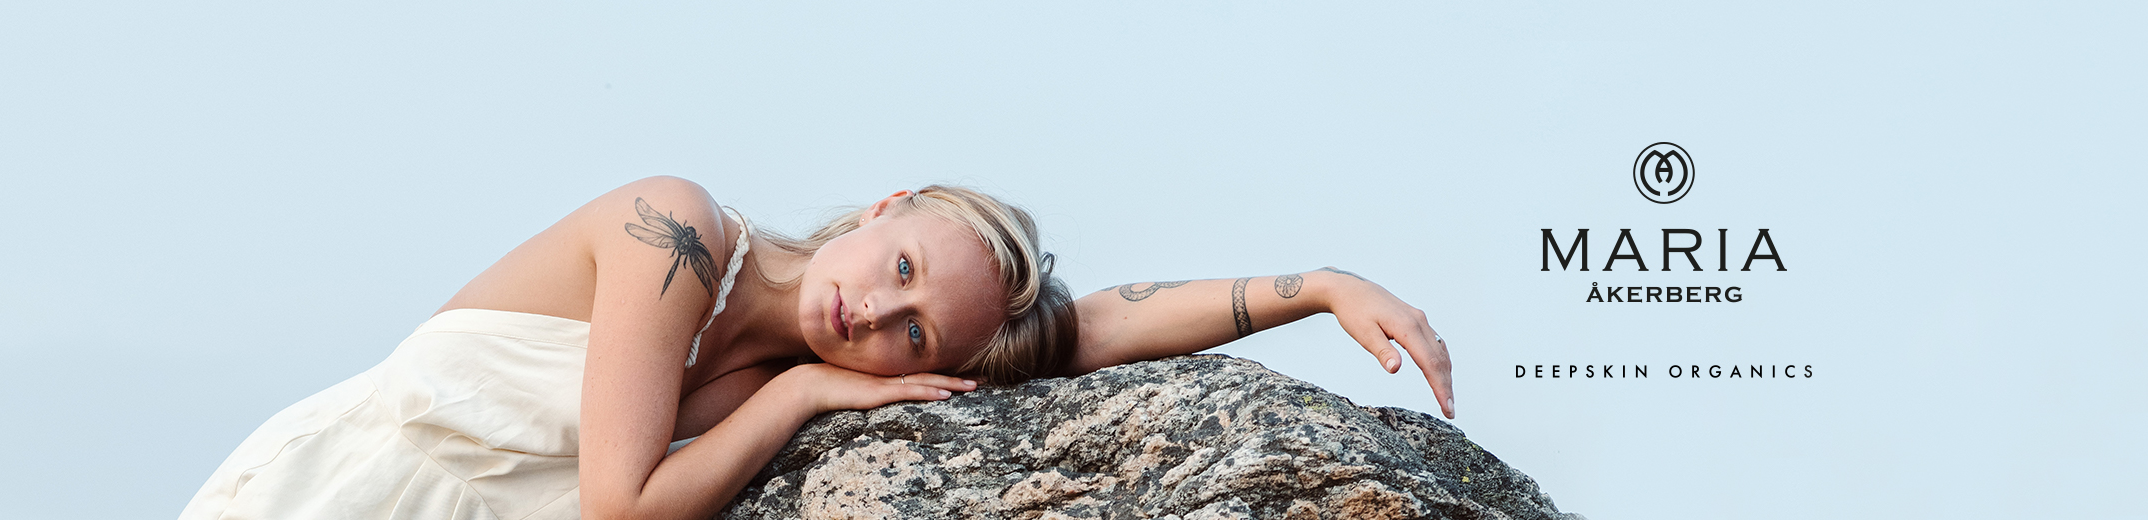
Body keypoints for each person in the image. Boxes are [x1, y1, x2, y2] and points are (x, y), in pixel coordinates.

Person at [180, 177, 1453, 520]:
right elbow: (621, 505)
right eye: (898, 271)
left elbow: (1092, 329)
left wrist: (1315, 287)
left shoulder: (836, 347)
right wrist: (794, 397)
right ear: (883, 206)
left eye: (915, 334)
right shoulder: (677, 230)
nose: (877, 321)